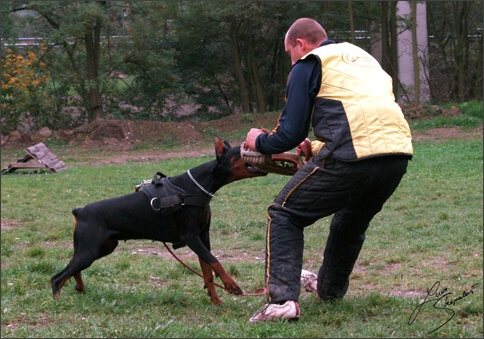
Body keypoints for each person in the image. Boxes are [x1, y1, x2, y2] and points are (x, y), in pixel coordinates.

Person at [245, 18, 413, 323]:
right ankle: (330, 291)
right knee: (351, 221)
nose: (291, 61)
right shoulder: (364, 60)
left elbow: (290, 133)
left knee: (285, 214)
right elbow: (361, 115)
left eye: (289, 53)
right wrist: (319, 147)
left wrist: (259, 140)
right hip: (396, 155)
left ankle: (282, 300)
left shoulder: (309, 62)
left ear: (300, 44)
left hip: (351, 156)